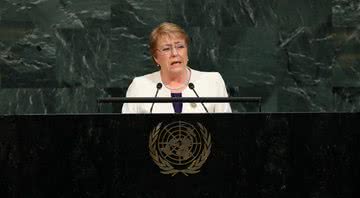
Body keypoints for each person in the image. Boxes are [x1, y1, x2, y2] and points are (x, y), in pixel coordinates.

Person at [122, 22, 231, 113]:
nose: (174, 53)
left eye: (180, 47)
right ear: (156, 57)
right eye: (166, 49)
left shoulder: (213, 82)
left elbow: (225, 129)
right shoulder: (139, 86)